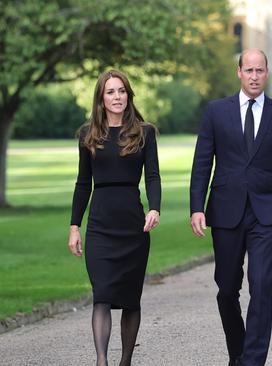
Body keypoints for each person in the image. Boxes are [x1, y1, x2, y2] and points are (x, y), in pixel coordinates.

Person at [189, 49, 272, 366]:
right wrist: (197, 206)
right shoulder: (216, 112)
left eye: (260, 70)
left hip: (265, 213)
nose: (254, 76)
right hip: (225, 210)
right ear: (238, 72)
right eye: (249, 70)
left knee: (263, 285)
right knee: (227, 289)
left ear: (267, 73)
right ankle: (237, 352)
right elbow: (201, 164)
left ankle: (253, 361)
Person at [68, 69, 161, 366]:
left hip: (133, 225)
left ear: (128, 95)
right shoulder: (88, 135)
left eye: (121, 91)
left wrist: (155, 208)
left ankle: (125, 362)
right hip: (99, 225)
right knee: (102, 295)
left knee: (131, 300)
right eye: (111, 92)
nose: (117, 97)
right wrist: (74, 226)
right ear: (101, 98)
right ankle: (101, 361)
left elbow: (154, 177)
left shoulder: (144, 133)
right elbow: (83, 184)